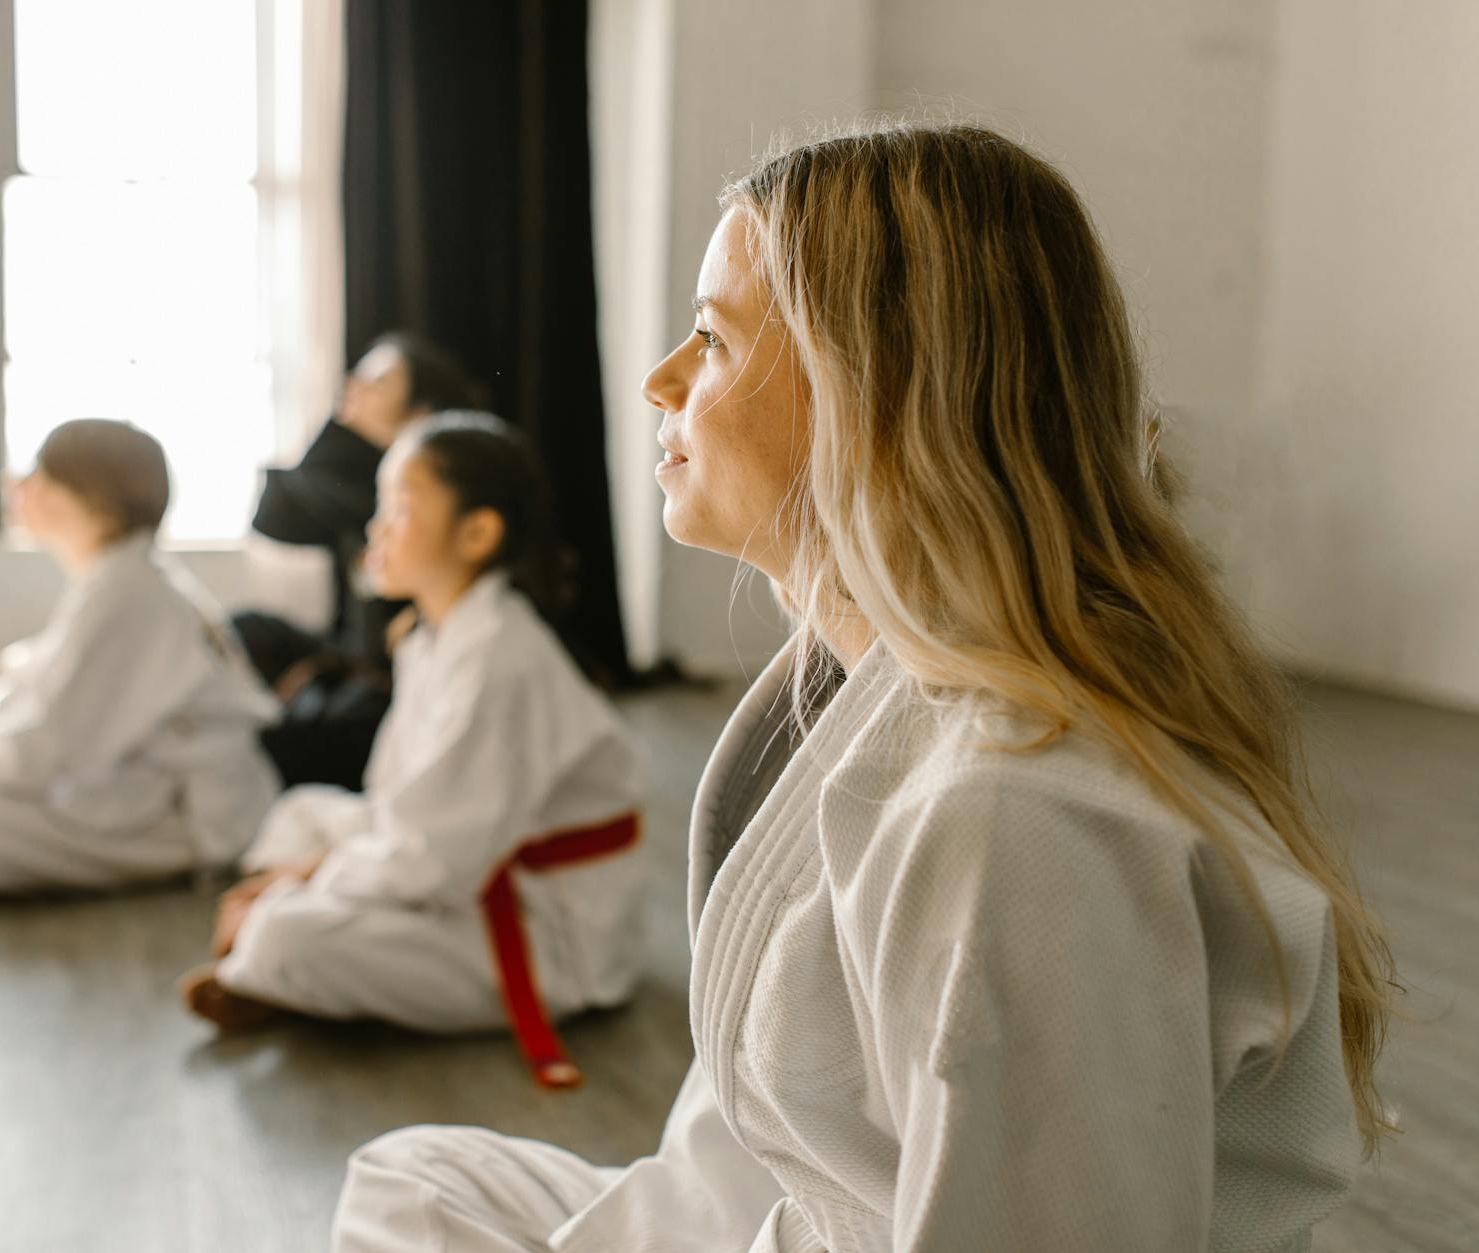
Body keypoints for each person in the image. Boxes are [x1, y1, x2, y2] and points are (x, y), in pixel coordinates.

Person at [330, 124, 1396, 1250]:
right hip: (797, 1216)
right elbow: (786, 1142)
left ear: (872, 389)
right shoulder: (869, 694)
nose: (659, 380)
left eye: (710, 339)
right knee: (413, 1178)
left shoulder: (1020, 813)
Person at [182, 413, 643, 1087]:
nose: (376, 527)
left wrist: (302, 879)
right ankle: (284, 958)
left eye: (399, 508)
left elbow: (434, 860)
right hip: (466, 863)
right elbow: (401, 803)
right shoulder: (435, 635)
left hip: (548, 932)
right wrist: (317, 862)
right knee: (302, 812)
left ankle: (274, 965)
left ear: (477, 532)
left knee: (286, 934)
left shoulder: (499, 659)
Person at [0, 419, 280, 895]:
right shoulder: (121, 578)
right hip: (138, 792)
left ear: (83, 495)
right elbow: (33, 692)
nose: (17, 485)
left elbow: (48, 745)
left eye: (39, 473)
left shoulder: (130, 592)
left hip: (183, 819)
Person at [235, 332, 488, 791]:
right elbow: (274, 518)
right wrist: (339, 421)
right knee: (245, 628)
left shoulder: (444, 492)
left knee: (271, 749)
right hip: (354, 657)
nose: (355, 384)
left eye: (379, 379)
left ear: (422, 404)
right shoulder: (362, 476)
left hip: (395, 681)